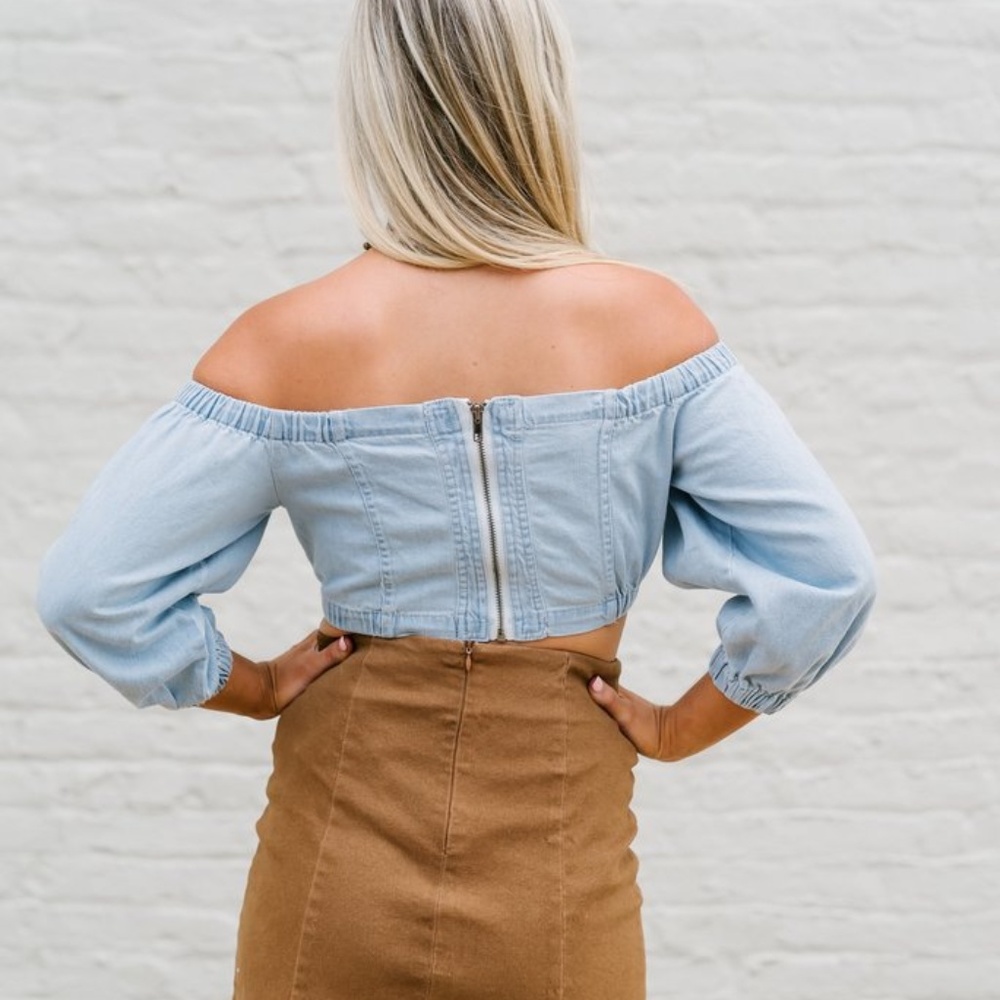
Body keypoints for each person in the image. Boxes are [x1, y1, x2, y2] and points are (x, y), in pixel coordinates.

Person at [35, 1, 877, 998]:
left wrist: (251, 685)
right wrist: (686, 723)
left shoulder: (283, 339)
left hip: (333, 854)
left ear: (375, 113)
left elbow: (92, 590)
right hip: (557, 862)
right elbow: (826, 574)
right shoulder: (648, 324)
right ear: (539, 98)